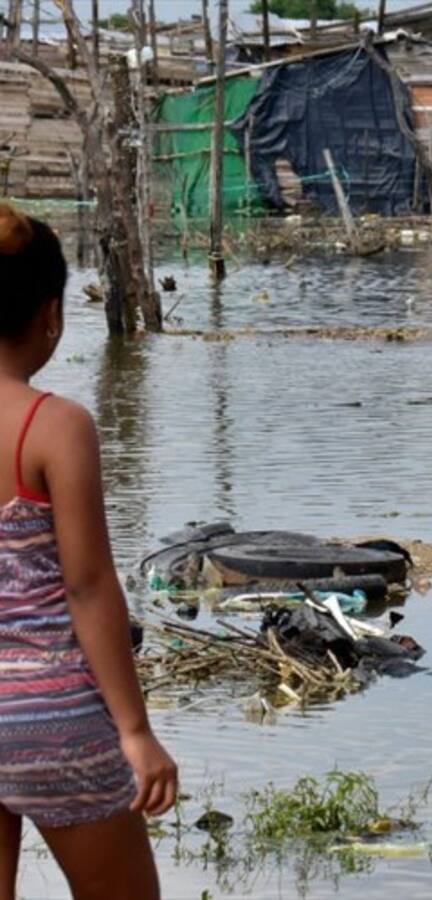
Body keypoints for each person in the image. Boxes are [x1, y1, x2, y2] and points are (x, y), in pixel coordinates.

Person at [0, 205, 176, 900]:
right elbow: (89, 587)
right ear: (50, 315)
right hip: (52, 716)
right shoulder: (55, 427)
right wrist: (135, 732)